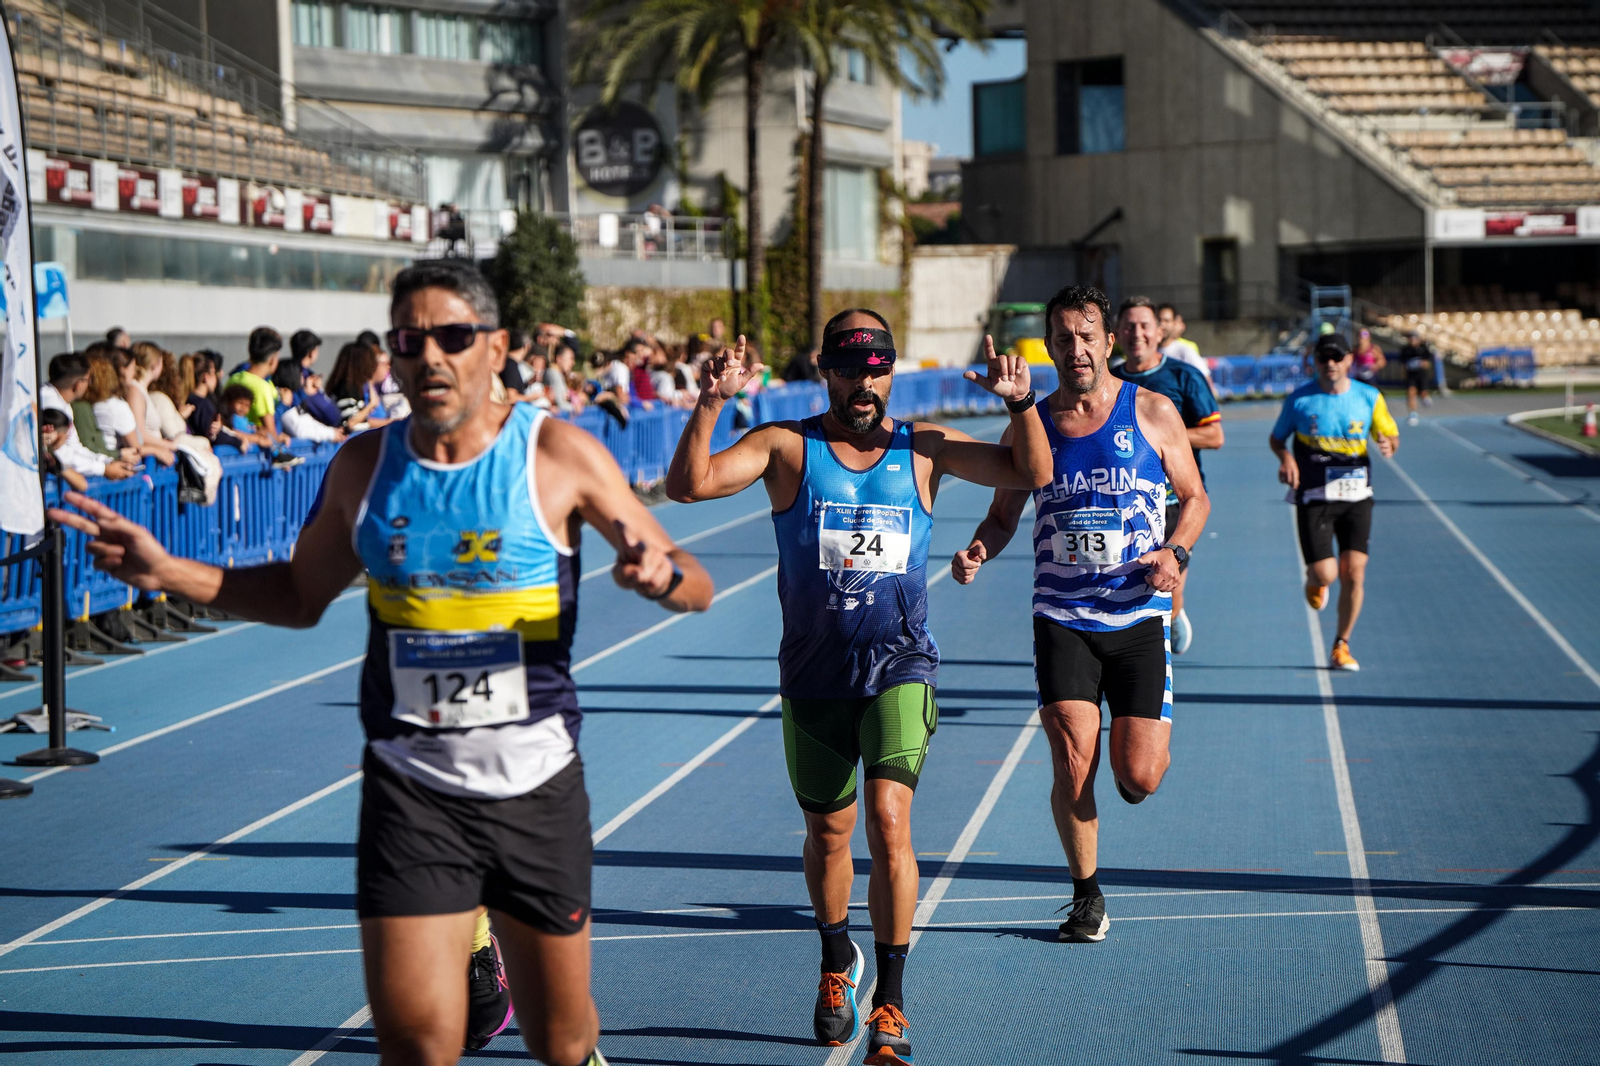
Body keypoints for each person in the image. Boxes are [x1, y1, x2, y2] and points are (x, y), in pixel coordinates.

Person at [50, 258, 714, 1066]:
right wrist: (168, 573)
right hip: (411, 794)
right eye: (410, 339)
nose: (430, 355)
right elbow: (299, 594)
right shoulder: (365, 467)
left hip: (535, 790)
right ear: (392, 356)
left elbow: (697, 579)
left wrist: (665, 576)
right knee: (415, 1042)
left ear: (495, 348)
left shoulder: (557, 455)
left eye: (453, 336)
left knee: (562, 1039)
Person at [666, 310, 1051, 1065]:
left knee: (889, 819)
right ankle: (836, 958)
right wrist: (710, 401)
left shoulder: (925, 447)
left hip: (900, 665)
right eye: (850, 366)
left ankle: (893, 1005)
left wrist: (1020, 406)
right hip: (813, 674)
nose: (864, 381)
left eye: (877, 366)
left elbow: (1032, 473)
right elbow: (689, 485)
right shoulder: (787, 447)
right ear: (825, 370)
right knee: (828, 834)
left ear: (891, 371)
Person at [951, 284, 1209, 947]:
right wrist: (981, 547)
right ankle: (1086, 896)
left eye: (1086, 335)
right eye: (1062, 338)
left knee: (1139, 776)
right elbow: (1004, 514)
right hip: (1062, 615)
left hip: (1138, 615)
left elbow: (1195, 497)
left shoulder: (1151, 411)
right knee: (1072, 763)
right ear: (1050, 347)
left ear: (1108, 342)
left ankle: (1138, 763)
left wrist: (1176, 553)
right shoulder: (1029, 425)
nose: (1076, 349)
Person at [1270, 332, 1399, 672]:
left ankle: (1341, 644)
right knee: (1326, 572)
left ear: (1349, 360)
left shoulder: (1369, 397)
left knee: (1355, 573)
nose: (1330, 364)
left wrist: (1388, 444)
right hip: (1314, 497)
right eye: (1323, 358)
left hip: (1357, 497)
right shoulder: (1300, 400)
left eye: (1337, 357)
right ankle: (1316, 581)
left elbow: (1389, 433)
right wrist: (1287, 458)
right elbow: (1277, 438)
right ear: (1314, 361)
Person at [1110, 297, 1223, 655]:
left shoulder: (1182, 376)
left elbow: (1214, 436)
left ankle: (1174, 614)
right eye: (1129, 326)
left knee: (1165, 584)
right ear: (1116, 334)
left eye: (1145, 325)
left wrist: (1161, 437)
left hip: (1173, 499)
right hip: (1124, 501)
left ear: (1160, 332)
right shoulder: (1110, 379)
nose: (1137, 333)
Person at [40, 353, 135, 481]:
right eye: (89, 379)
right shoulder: (51, 404)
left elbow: (75, 447)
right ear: (78, 384)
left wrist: (107, 461)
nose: (89, 384)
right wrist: (104, 469)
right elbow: (61, 453)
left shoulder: (60, 402)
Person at [1156, 304, 1212, 388]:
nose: (1162, 324)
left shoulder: (1185, 351)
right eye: (1159, 320)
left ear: (1174, 324)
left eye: (1166, 321)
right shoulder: (1146, 352)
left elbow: (1205, 380)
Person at [40, 407, 90, 492]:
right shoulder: (40, 452)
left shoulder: (51, 456)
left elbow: (82, 484)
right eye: (65, 435)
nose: (65, 439)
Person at [1400, 331, 1433, 426]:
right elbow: (1403, 364)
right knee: (1411, 392)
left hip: (1421, 375)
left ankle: (1425, 398)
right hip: (1411, 376)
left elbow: (1428, 363)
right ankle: (1413, 414)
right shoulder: (1405, 350)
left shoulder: (1423, 348)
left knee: (1423, 393)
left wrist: (1423, 364)